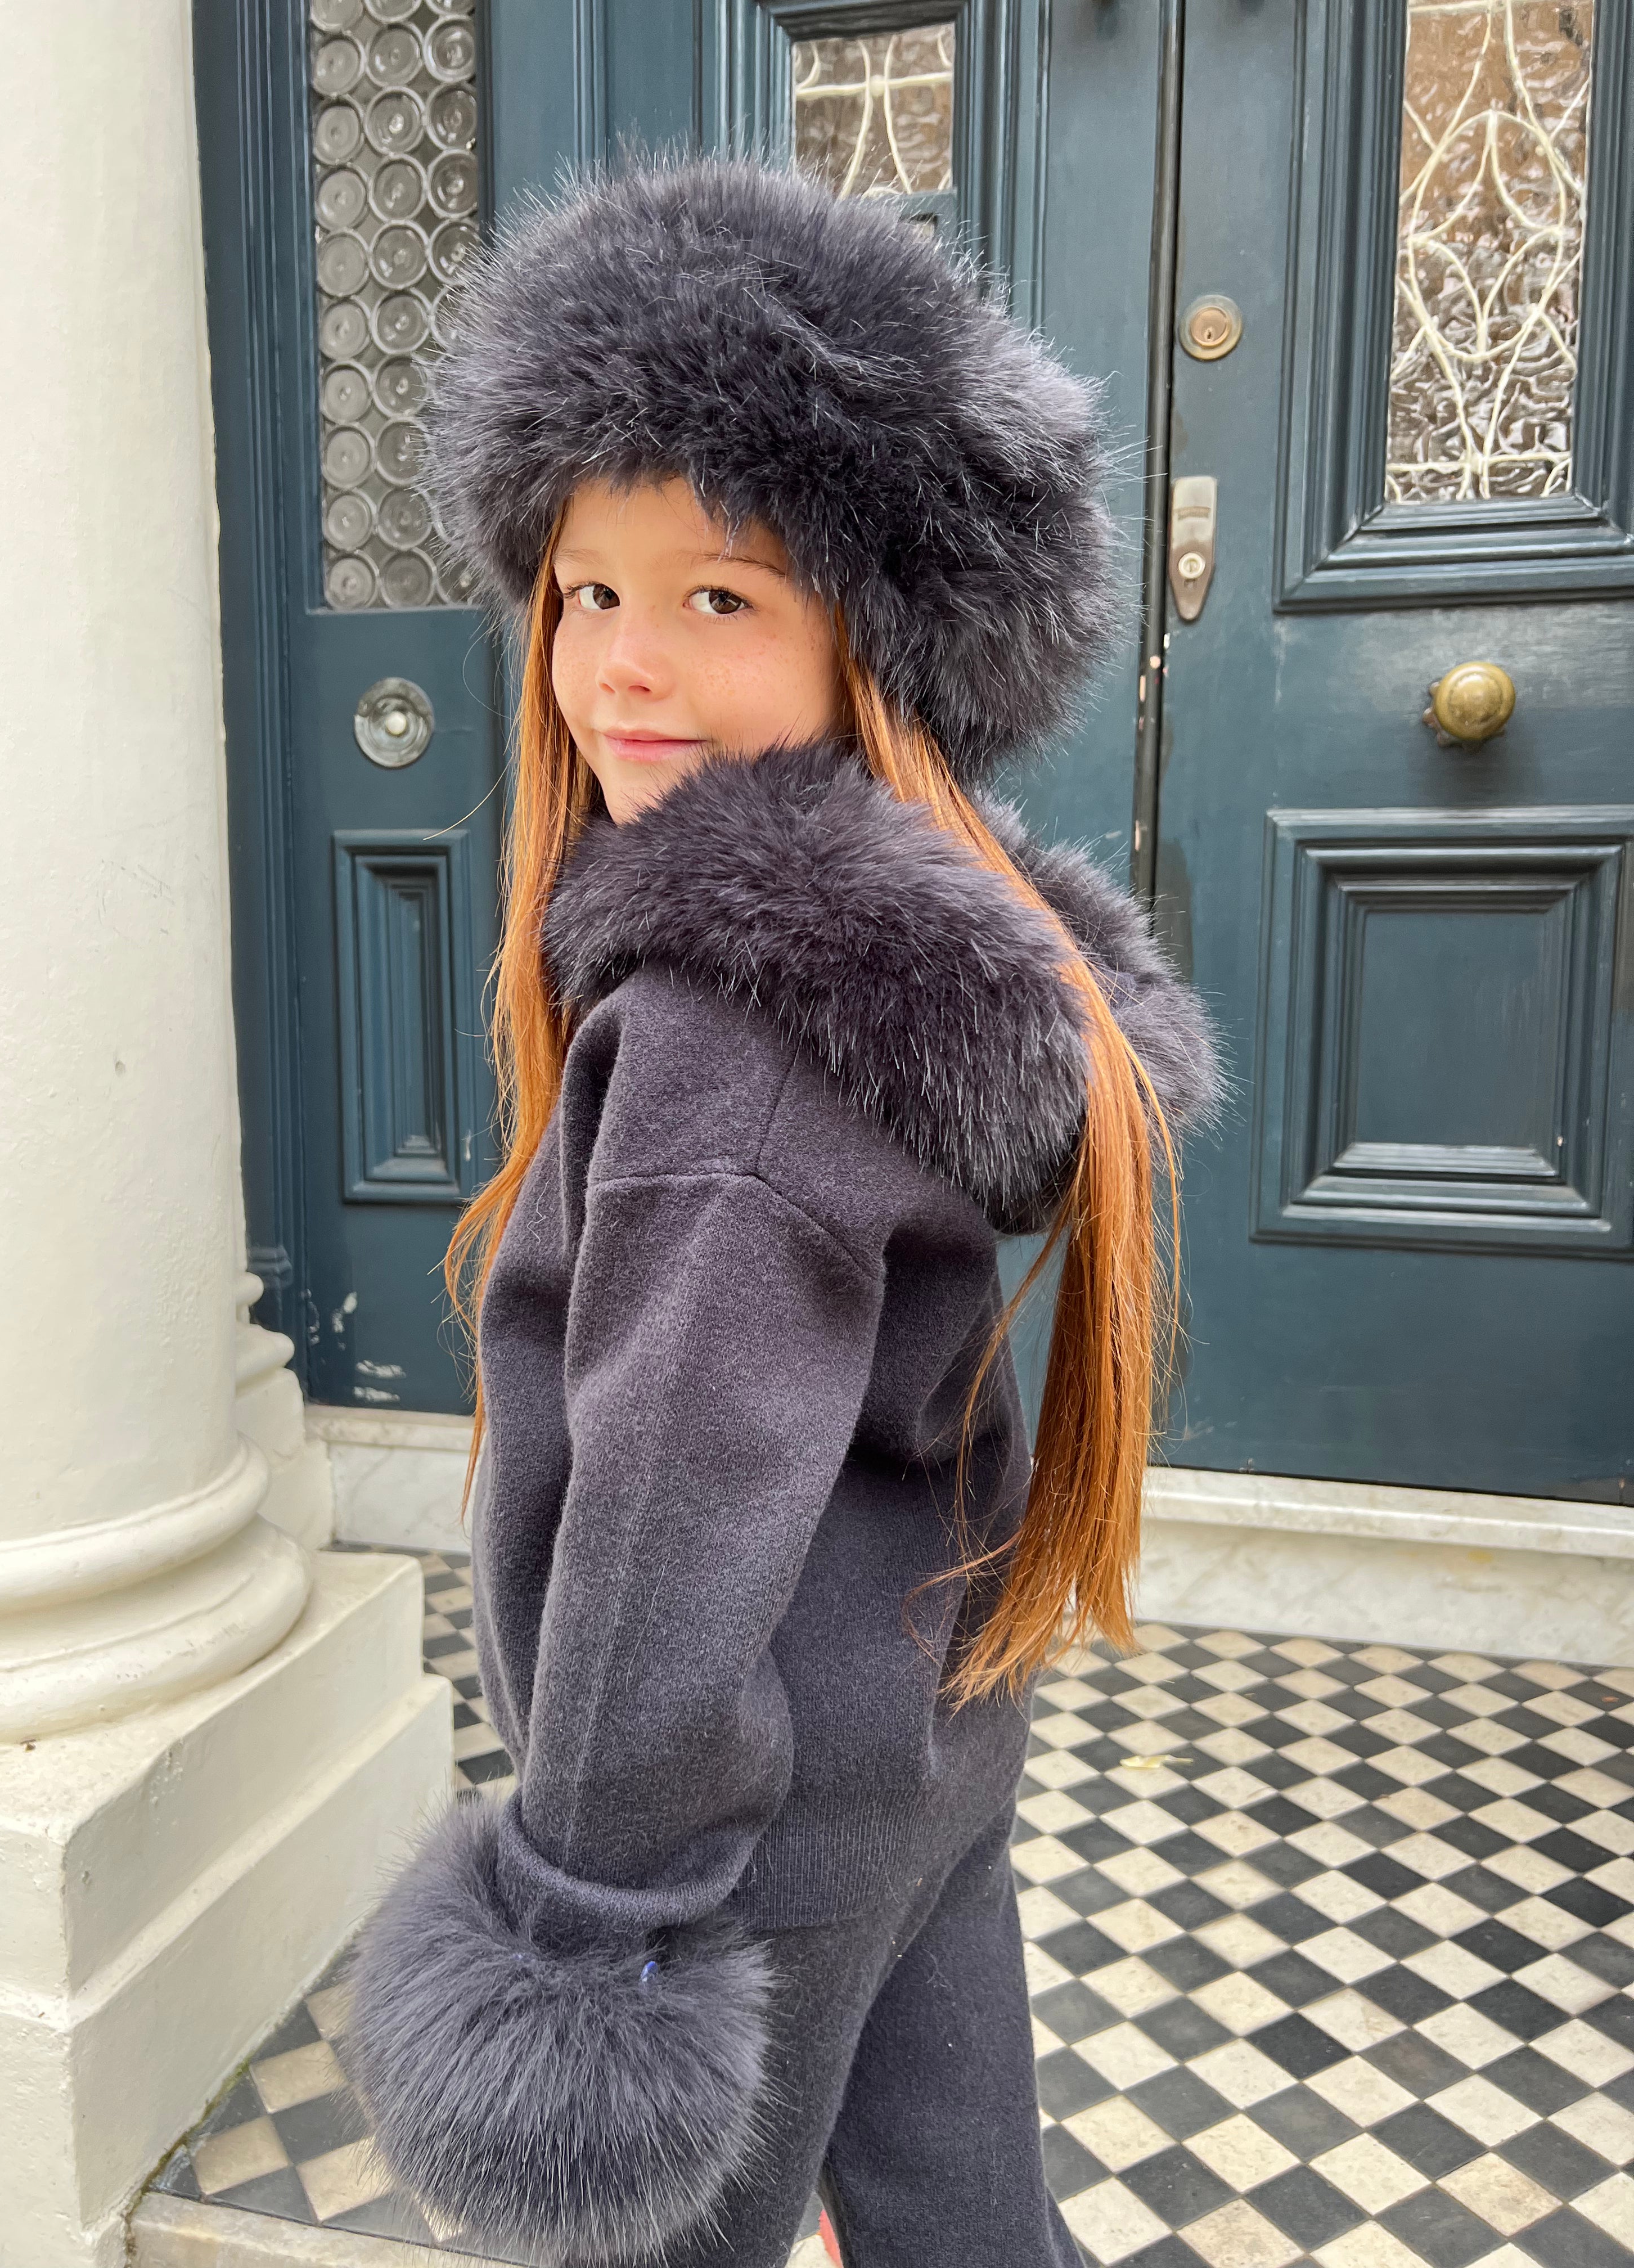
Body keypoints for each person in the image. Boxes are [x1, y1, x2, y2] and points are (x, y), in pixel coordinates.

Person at [344, 155, 1221, 2268]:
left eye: (719, 598)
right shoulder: (899, 977)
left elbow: (670, 1505)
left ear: (879, 638)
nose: (622, 666)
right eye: (585, 591)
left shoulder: (725, 1033)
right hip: (919, 1748)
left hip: (732, 1845)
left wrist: (597, 1920)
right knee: (961, 2221)